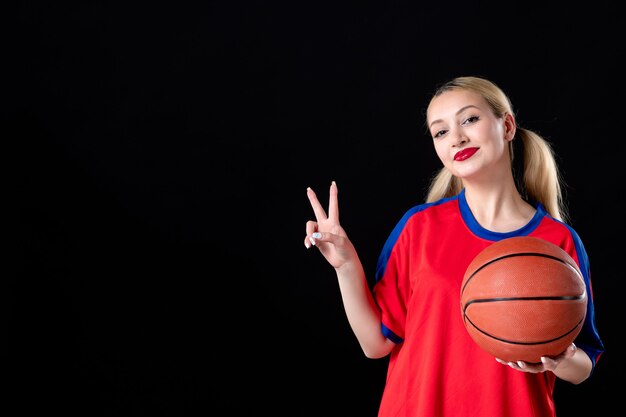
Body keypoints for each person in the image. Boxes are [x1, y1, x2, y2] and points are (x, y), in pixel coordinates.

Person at [303, 76, 604, 417]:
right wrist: (345, 265)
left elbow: (584, 365)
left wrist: (562, 359)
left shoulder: (557, 242)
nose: (457, 137)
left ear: (506, 126)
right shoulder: (419, 227)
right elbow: (376, 344)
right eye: (440, 131)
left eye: (470, 119)